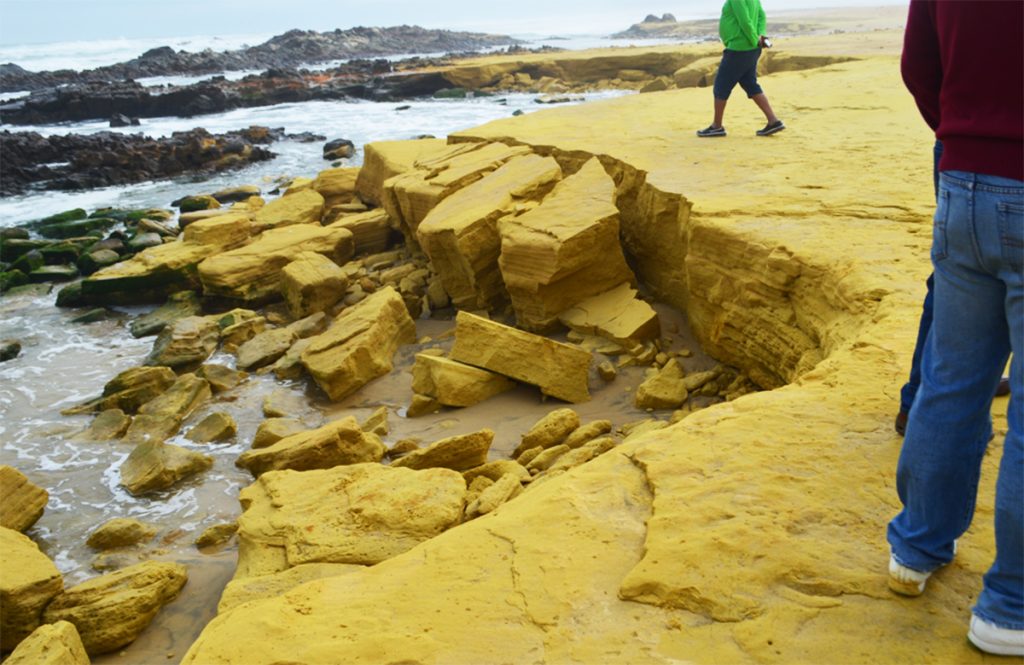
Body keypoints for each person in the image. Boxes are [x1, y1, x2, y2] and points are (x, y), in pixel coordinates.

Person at [886, 0, 1023, 657]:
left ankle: (914, 548)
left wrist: (965, 135)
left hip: (963, 179)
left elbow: (919, 64)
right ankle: (1011, 606)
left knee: (951, 379)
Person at [894, 140, 1011, 437]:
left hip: (961, 149)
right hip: (1002, 156)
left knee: (956, 275)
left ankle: (928, 395)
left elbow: (924, 89)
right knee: (965, 277)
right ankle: (938, 394)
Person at [696, 0, 784, 138]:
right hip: (751, 49)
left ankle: (716, 126)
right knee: (750, 84)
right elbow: (761, 16)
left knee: (720, 86)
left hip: (739, 48)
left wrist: (755, 38)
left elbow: (744, 20)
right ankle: (773, 121)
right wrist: (760, 35)